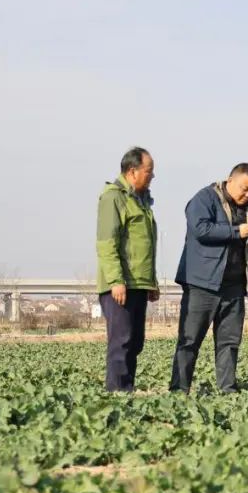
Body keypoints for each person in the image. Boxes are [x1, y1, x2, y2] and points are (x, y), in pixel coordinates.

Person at [170, 163, 248, 393]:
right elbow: (200, 230)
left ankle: (228, 389)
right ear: (230, 181)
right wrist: (236, 231)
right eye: (245, 188)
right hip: (202, 284)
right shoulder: (204, 199)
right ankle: (179, 390)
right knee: (189, 340)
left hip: (233, 286)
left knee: (229, 342)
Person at [96, 147, 159, 392]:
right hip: (121, 284)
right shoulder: (113, 198)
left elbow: (145, 245)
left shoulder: (141, 201)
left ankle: (127, 390)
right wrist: (116, 280)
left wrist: (151, 282)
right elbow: (107, 242)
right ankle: (116, 394)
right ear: (133, 172)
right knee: (121, 342)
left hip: (139, 283)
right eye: (149, 171)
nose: (152, 176)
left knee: (135, 342)